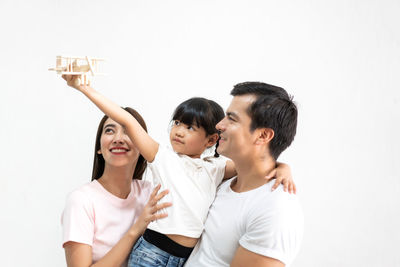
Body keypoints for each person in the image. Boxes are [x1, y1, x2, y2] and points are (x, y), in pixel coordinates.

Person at [61, 75, 295, 267]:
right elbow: (129, 122)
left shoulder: (215, 169)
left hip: (182, 259)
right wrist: (85, 88)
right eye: (177, 123)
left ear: (211, 139)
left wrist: (283, 167)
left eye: (190, 127)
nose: (179, 131)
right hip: (152, 252)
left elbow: (256, 163)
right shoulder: (164, 159)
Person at [185, 82, 304, 267]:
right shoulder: (222, 181)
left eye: (232, 119)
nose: (219, 125)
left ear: (263, 135)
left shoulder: (276, 210)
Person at [61, 107, 172, 267]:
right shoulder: (81, 200)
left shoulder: (150, 193)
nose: (118, 138)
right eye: (109, 131)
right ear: (99, 147)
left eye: (128, 131)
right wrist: (136, 230)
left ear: (142, 145)